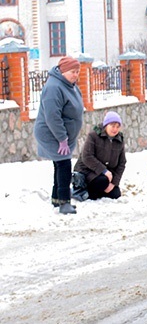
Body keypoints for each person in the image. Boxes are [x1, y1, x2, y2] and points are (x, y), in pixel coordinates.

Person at [33, 56, 85, 215]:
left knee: (60, 164)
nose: (75, 75)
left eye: (77, 72)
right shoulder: (54, 87)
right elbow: (52, 117)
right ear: (62, 72)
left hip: (61, 134)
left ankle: (56, 198)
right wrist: (62, 138)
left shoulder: (69, 85)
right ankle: (64, 202)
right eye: (72, 72)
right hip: (52, 133)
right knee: (64, 165)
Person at [73, 111, 127, 200]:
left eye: (117, 127)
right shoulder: (93, 136)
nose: (115, 129)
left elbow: (122, 163)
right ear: (106, 125)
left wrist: (114, 183)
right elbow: (87, 156)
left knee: (115, 194)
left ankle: (95, 193)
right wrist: (104, 171)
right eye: (112, 126)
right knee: (103, 181)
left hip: (106, 176)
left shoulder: (119, 140)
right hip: (87, 171)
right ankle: (82, 191)